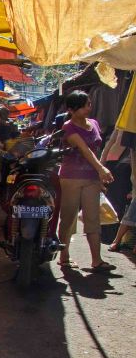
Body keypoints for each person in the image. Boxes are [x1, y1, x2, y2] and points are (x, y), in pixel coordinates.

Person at [57, 90, 115, 271]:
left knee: (93, 218)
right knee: (68, 217)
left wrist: (99, 172)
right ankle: (64, 256)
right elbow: (85, 150)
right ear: (71, 110)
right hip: (71, 177)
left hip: (91, 178)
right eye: (83, 106)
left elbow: (96, 150)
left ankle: (96, 260)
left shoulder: (95, 123)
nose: (87, 109)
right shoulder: (68, 127)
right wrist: (101, 169)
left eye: (88, 104)